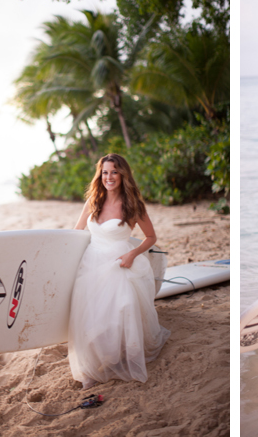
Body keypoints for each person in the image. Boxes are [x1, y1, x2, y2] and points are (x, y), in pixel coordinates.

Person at [68, 153, 170, 388]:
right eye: (105, 172)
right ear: (99, 175)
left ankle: (119, 355)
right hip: (91, 264)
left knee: (118, 311)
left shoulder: (132, 204)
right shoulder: (93, 201)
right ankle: (92, 367)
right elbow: (77, 232)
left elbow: (151, 237)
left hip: (120, 263)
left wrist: (132, 254)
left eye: (114, 172)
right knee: (90, 314)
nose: (109, 177)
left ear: (123, 174)